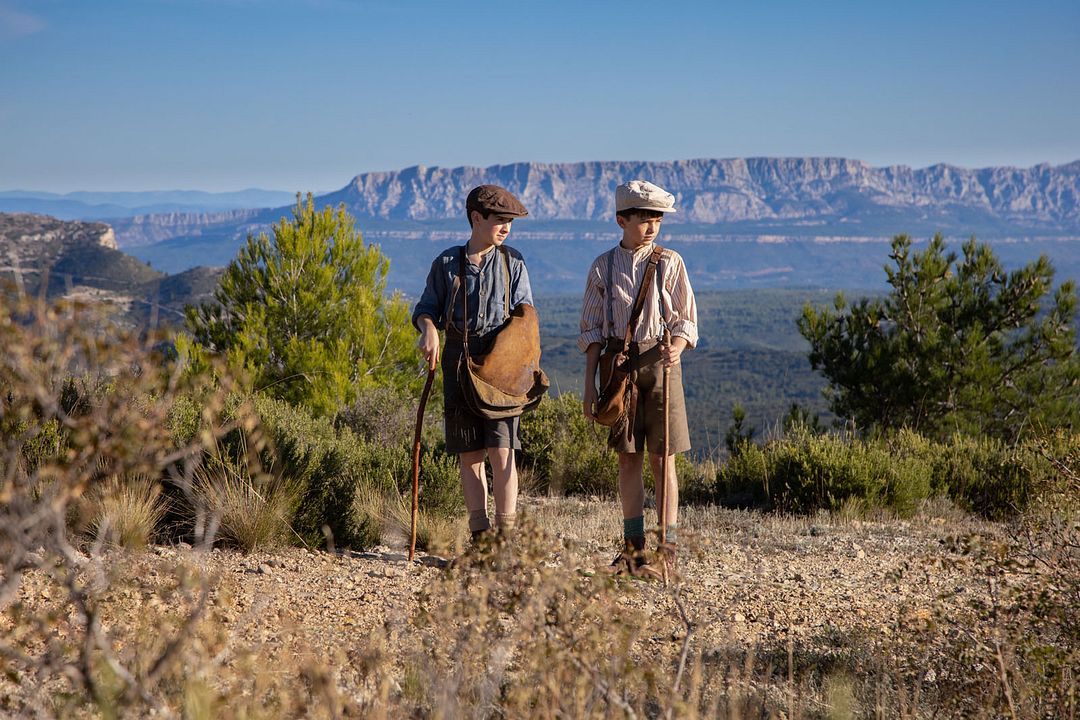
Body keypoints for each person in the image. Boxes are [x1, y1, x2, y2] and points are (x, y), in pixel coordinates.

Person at [579, 179, 698, 576]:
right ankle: (633, 552)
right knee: (628, 461)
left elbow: (685, 319)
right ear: (621, 220)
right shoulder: (602, 265)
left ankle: (668, 552)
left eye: (657, 219)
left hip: (662, 366)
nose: (651, 227)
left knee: (664, 460)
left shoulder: (671, 262)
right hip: (618, 369)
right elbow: (592, 332)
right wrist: (588, 388)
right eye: (643, 219)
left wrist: (677, 348)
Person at [413, 184, 534, 542]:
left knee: (502, 450)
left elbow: (526, 316)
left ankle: (506, 539)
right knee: (470, 453)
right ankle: (480, 537)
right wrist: (429, 329)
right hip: (457, 359)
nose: (506, 228)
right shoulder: (447, 263)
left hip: (502, 362)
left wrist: (521, 365)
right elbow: (425, 309)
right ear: (476, 218)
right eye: (499, 220)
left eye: (509, 222)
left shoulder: (514, 262)